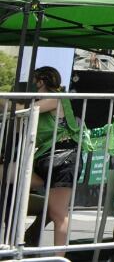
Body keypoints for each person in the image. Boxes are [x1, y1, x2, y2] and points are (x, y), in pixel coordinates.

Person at [25, 66, 80, 248]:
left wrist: (4, 101)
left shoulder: (55, 98)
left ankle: (59, 257)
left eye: (35, 81)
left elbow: (27, 110)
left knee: (58, 212)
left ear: (41, 81)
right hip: (46, 159)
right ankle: (29, 233)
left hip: (62, 159)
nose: (33, 85)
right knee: (8, 175)